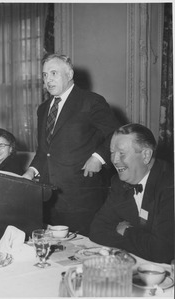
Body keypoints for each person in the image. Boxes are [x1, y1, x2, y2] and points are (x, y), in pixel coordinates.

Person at [23, 53, 120, 236]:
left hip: (81, 199)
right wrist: (30, 172)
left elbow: (117, 134)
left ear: (69, 74)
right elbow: (45, 151)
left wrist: (98, 157)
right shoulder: (43, 109)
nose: (48, 80)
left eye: (54, 73)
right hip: (48, 199)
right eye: (45, 75)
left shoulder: (91, 101)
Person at [89, 123, 174, 264]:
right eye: (112, 152)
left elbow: (161, 251)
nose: (114, 160)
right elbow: (96, 230)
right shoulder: (119, 183)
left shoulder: (170, 184)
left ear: (146, 155)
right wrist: (142, 241)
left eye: (121, 153)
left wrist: (126, 230)